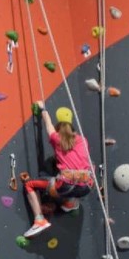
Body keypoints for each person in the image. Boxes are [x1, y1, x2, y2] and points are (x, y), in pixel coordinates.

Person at [23, 101, 94, 238]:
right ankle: (70, 202)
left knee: (30, 184)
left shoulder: (57, 138)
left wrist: (43, 109)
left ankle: (39, 220)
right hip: (86, 187)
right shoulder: (83, 140)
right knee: (68, 183)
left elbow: (48, 127)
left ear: (58, 125)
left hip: (66, 185)